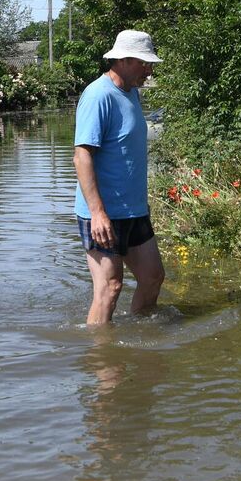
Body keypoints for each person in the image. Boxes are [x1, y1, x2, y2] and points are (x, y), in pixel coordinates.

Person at [73, 29, 164, 325]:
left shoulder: (131, 91)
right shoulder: (98, 95)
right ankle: (102, 359)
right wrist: (98, 214)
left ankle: (138, 340)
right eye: (144, 63)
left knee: (152, 277)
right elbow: (82, 155)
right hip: (102, 213)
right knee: (110, 287)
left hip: (133, 210)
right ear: (123, 60)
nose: (149, 70)